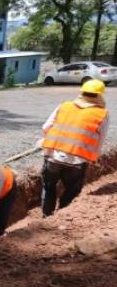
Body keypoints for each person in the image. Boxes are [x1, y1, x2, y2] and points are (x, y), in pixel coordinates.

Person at [40, 79, 109, 216]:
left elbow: (46, 127)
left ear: (82, 92)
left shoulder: (64, 106)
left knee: (48, 187)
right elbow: (100, 140)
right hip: (77, 160)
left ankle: (47, 216)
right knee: (72, 189)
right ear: (100, 95)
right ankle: (62, 215)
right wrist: (92, 157)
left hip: (53, 155)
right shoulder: (102, 114)